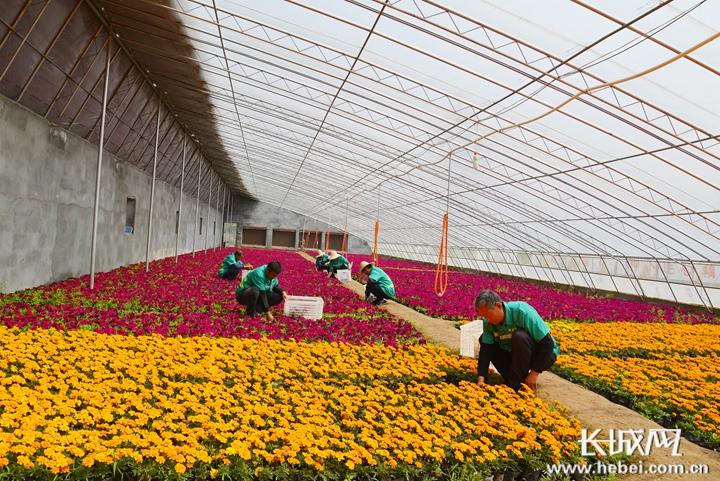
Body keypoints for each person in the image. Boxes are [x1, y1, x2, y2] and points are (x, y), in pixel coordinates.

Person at [474, 290, 559, 391]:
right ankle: (515, 381)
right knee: (484, 339)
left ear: (498, 306)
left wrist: (534, 373)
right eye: (484, 316)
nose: (486, 319)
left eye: (488, 315)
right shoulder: (488, 323)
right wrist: (481, 379)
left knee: (519, 336)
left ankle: (515, 383)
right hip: (515, 355)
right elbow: (486, 350)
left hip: (542, 354)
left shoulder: (522, 311)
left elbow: (547, 343)